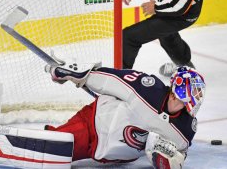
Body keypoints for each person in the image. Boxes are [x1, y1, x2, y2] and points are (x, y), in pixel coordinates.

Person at [44, 58, 206, 168]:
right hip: (93, 124)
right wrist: (80, 74)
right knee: (56, 147)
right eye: (174, 94)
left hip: (112, 155)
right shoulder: (149, 89)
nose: (174, 99)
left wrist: (173, 159)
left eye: (182, 100)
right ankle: (44, 140)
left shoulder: (185, 129)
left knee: (60, 149)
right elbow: (112, 79)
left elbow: (180, 153)